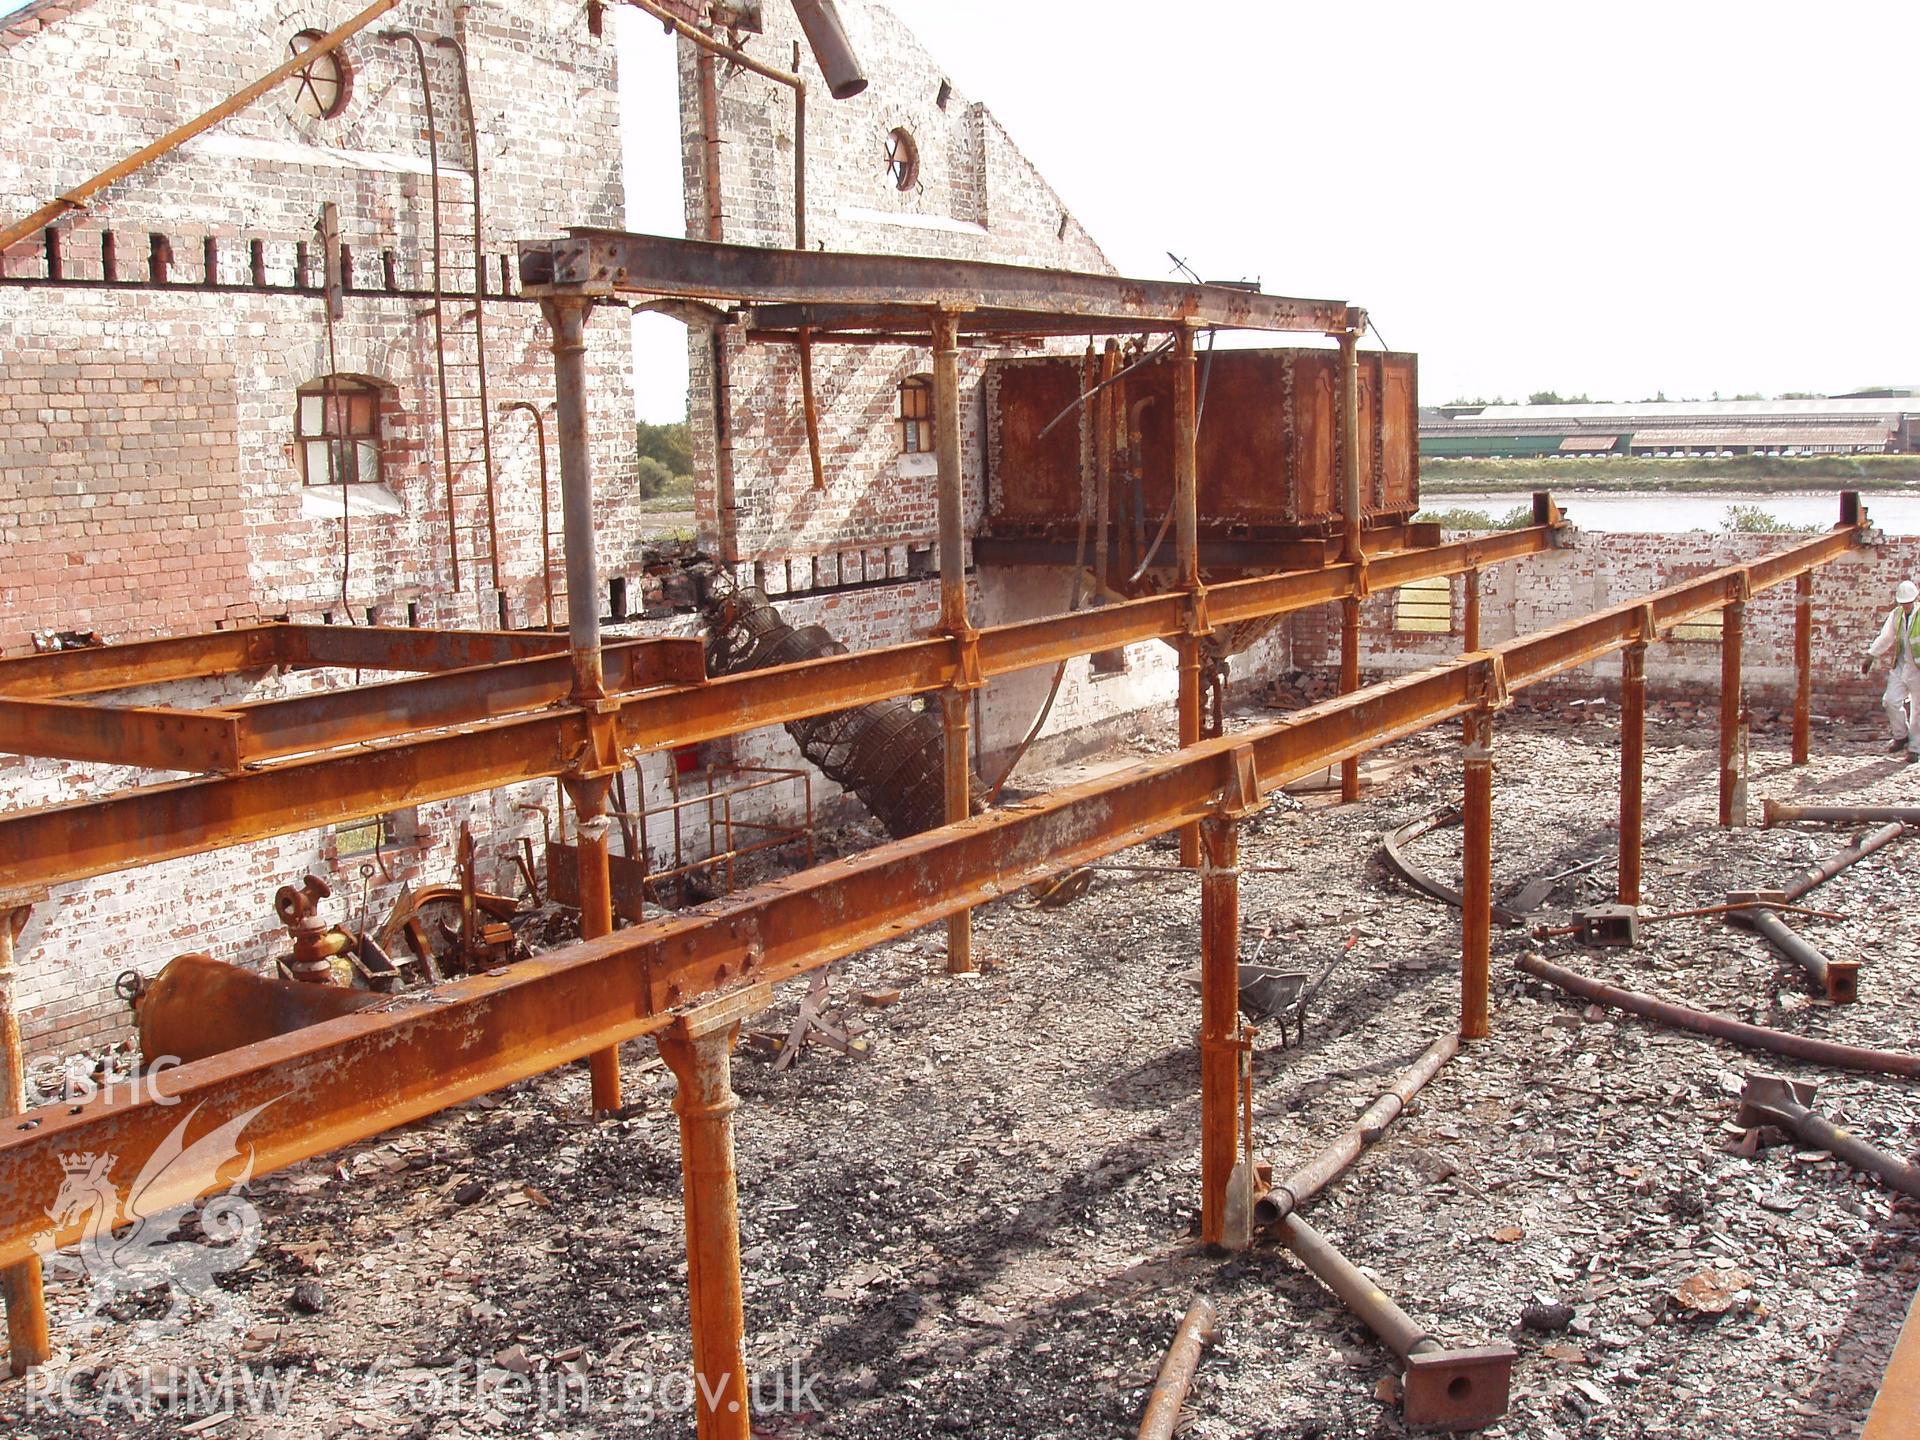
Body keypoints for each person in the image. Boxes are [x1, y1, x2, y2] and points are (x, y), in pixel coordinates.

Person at [1864, 579, 1920, 762]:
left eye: (1908, 602)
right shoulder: (1896, 615)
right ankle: (1901, 735)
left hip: (1918, 668)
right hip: (1901, 665)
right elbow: (1886, 637)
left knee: (1918, 709)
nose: (1905, 606)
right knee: (1890, 701)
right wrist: (1871, 655)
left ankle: (1915, 748)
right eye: (1903, 603)